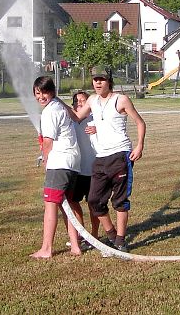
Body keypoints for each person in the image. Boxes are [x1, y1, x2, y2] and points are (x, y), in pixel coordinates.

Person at [65, 66, 146, 253]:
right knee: (94, 200)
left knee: (120, 200)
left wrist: (139, 145)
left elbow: (140, 123)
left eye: (101, 79)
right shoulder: (92, 100)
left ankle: (120, 241)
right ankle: (110, 234)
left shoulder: (121, 100)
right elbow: (77, 117)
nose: (98, 83)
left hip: (120, 155)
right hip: (101, 158)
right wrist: (57, 101)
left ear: (109, 80)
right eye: (95, 80)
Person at [30, 76, 82, 259]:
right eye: (37, 93)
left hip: (60, 163)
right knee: (65, 205)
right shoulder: (59, 107)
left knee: (50, 205)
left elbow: (48, 142)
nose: (41, 96)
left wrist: (45, 160)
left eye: (44, 92)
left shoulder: (50, 111)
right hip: (72, 162)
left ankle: (46, 248)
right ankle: (75, 246)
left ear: (51, 92)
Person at [65, 90, 99, 251]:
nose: (80, 103)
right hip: (76, 170)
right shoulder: (70, 122)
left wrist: (98, 129)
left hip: (93, 170)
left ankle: (95, 235)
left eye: (83, 100)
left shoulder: (96, 119)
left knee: (94, 204)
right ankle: (81, 233)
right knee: (73, 202)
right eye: (77, 101)